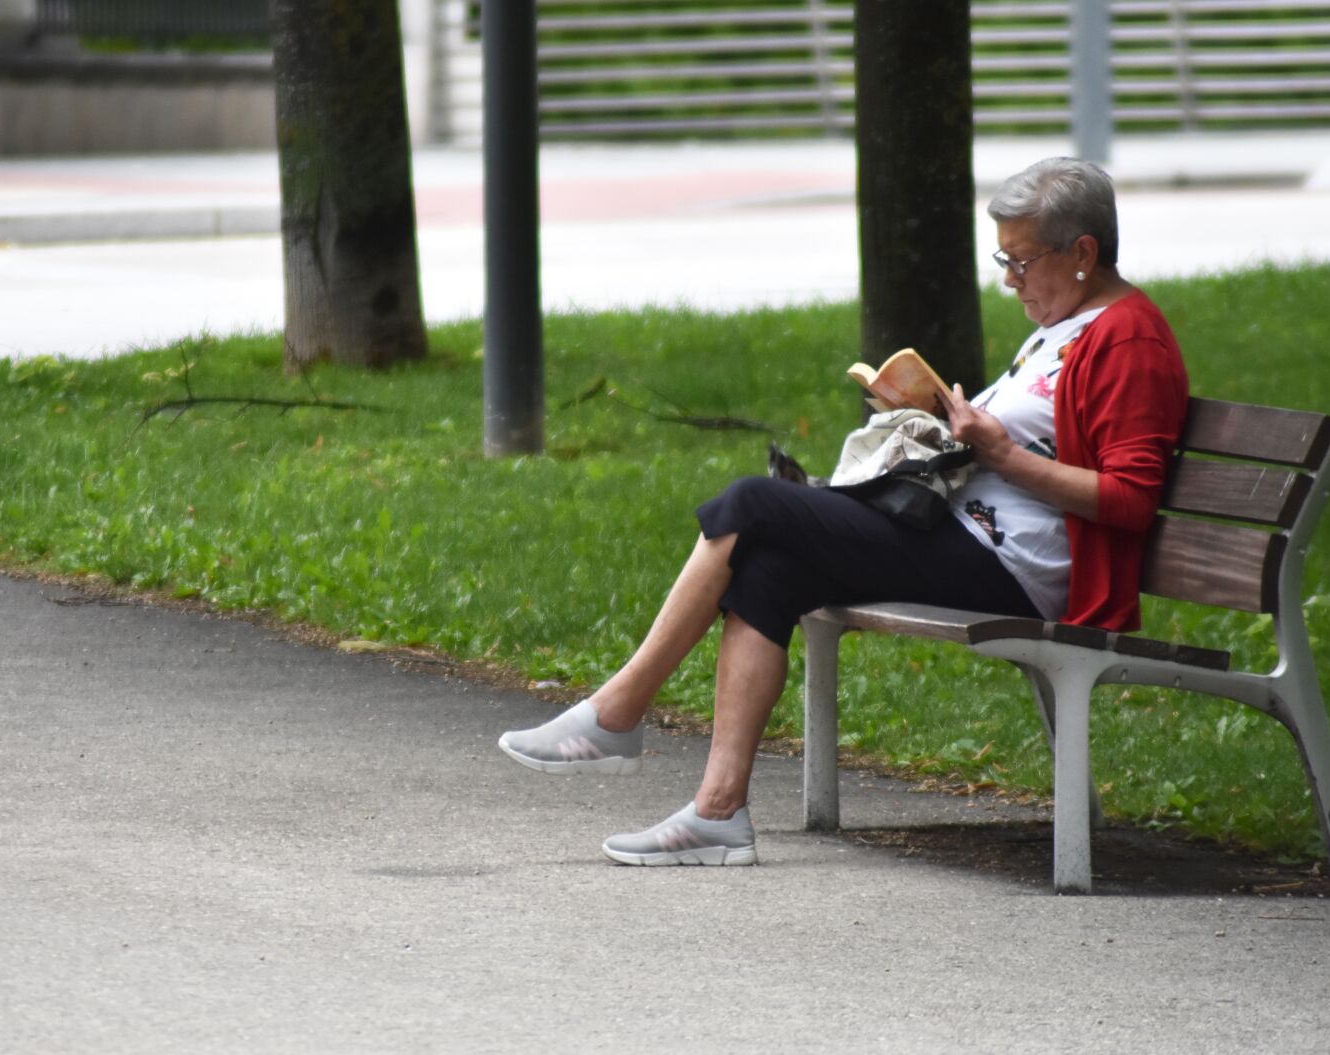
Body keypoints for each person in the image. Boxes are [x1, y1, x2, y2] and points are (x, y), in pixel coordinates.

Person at [498, 157, 1189, 866]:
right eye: (1002, 261)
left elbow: (1131, 501)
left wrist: (1002, 453)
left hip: (1015, 569)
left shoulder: (1128, 338)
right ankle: (717, 814)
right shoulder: (1063, 324)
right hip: (961, 536)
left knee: (751, 502)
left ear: (1083, 253)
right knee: (768, 565)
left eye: (1021, 262)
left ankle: (618, 711)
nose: (1009, 281)